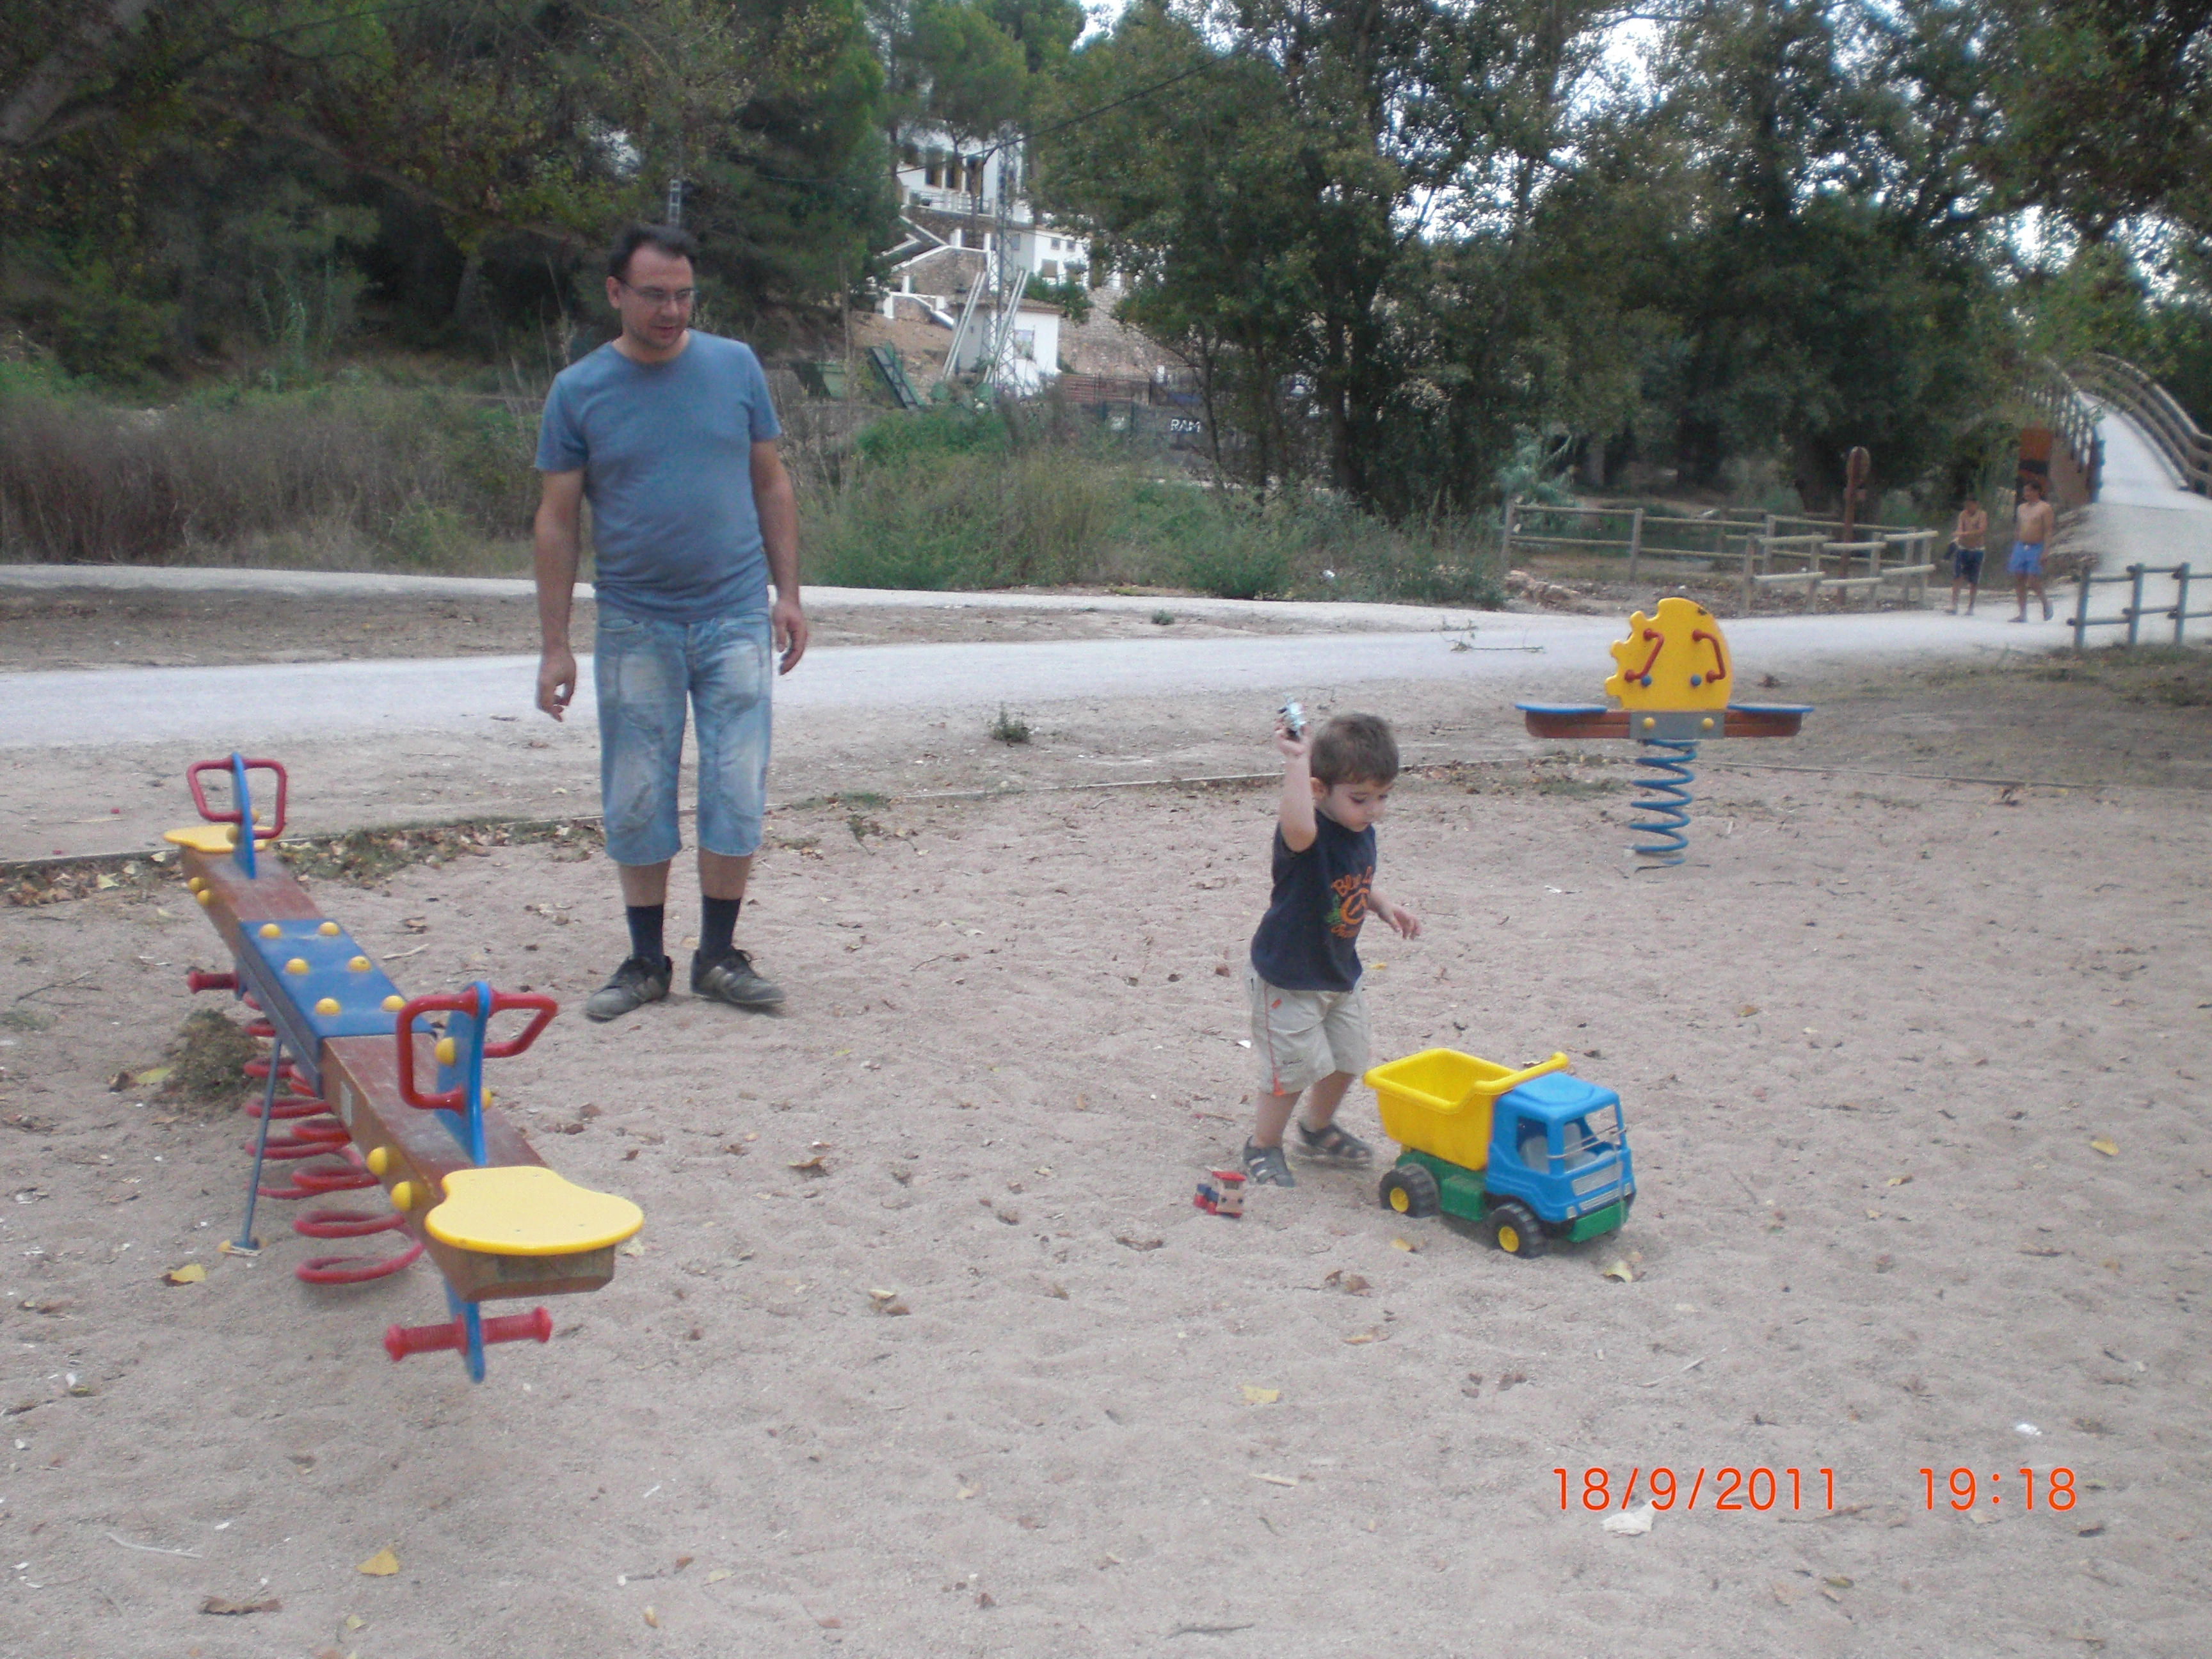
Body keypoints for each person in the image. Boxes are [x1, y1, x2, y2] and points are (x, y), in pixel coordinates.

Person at [532, 225, 808, 1022]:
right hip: (635, 622)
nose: (672, 310)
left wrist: (788, 594)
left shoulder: (735, 367)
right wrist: (555, 645)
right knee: (636, 790)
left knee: (736, 784)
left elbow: (771, 483)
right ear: (615, 292)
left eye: (684, 295)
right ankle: (645, 961)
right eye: (655, 294)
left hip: (734, 615)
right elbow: (557, 521)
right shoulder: (579, 389)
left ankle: (718, 956)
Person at [1241, 712, 1421, 1187]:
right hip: (1288, 976)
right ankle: (1263, 1144)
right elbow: (1299, 825)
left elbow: (1355, 879)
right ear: (1319, 790)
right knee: (1291, 1071)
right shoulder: (1306, 834)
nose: (1375, 810)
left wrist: (1383, 905)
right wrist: (1296, 762)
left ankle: (1316, 1128)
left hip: (1339, 971)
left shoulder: (1359, 831)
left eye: (1383, 796)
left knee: (1349, 1057)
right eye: (1361, 799)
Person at [2009, 476, 2055, 623]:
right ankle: (2022, 614)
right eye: (2025, 491)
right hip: (2021, 545)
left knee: (2032, 580)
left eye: (2029, 491)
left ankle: (2046, 603)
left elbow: (2048, 531)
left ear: (2037, 492)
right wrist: (2015, 546)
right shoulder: (2021, 508)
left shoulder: (2045, 508)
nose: (2026, 494)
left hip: (2036, 546)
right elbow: (2018, 528)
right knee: (2019, 578)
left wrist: (2046, 551)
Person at [1947, 495, 1987, 615]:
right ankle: (1954, 604)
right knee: (1957, 576)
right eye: (1966, 505)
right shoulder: (1963, 515)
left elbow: (1981, 531)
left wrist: (1965, 534)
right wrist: (1959, 535)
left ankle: (1971, 607)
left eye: (1970, 505)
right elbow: (1960, 528)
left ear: (1976, 504)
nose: (1968, 508)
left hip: (1977, 549)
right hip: (1963, 548)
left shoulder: (1982, 515)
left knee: (1974, 580)